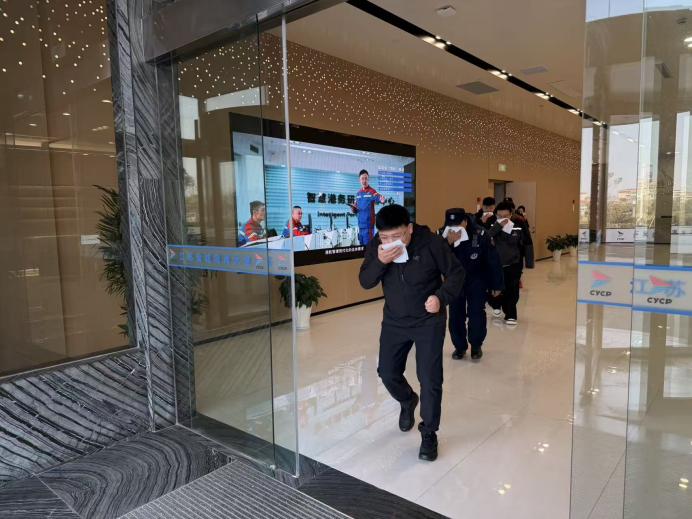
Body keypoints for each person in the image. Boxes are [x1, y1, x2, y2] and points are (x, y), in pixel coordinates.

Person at [359, 204, 465, 462]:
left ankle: (429, 432)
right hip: (394, 320)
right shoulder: (378, 246)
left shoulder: (431, 243)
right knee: (387, 372)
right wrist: (380, 261)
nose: (390, 243)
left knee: (429, 378)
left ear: (409, 228)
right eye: (384, 237)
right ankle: (407, 400)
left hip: (428, 320)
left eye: (397, 236)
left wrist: (440, 298)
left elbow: (456, 274)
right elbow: (365, 281)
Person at [440, 208, 503, 361]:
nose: (454, 227)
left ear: (465, 221)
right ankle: (459, 346)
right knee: (456, 314)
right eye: (450, 224)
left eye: (457, 224)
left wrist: (496, 284)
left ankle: (476, 345)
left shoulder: (480, 234)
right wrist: (448, 243)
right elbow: (436, 259)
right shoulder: (442, 235)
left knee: (476, 313)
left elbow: (493, 260)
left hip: (476, 279)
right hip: (454, 281)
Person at [486, 201, 534, 325]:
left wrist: (529, 262)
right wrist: (497, 227)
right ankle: (496, 305)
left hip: (514, 263)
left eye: (506, 216)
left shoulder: (519, 223)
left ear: (511, 214)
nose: (503, 218)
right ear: (496, 215)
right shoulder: (491, 222)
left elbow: (527, 242)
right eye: (500, 216)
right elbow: (485, 238)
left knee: (512, 289)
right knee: (494, 289)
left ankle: (511, 314)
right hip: (494, 264)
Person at [350, 169, 385, 246]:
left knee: (369, 248)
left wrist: (382, 200)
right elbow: (356, 208)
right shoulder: (358, 193)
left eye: (366, 178)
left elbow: (379, 197)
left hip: (368, 227)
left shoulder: (372, 191)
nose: (364, 180)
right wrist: (353, 209)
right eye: (362, 178)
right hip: (360, 226)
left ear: (368, 179)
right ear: (359, 180)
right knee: (362, 247)